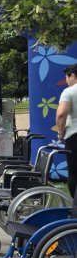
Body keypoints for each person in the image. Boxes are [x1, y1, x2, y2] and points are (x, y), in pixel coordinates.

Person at [56, 64, 77, 197]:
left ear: (73, 75)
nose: (66, 80)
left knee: (74, 174)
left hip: (75, 136)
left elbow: (61, 113)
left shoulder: (69, 91)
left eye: (67, 77)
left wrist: (60, 131)